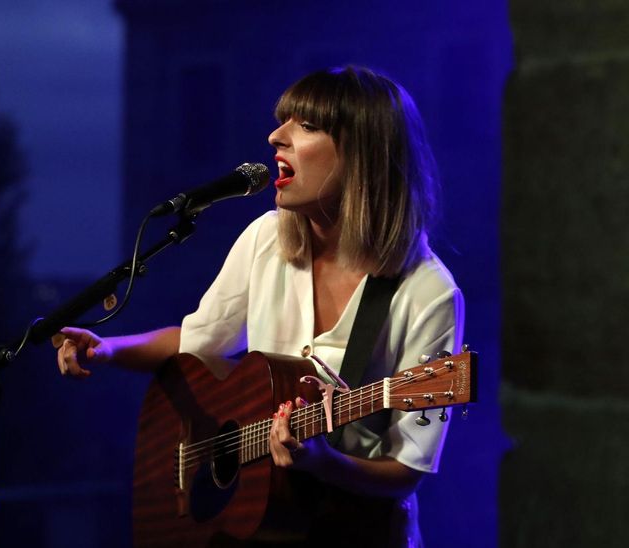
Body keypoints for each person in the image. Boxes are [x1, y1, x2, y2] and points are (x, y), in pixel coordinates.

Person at [54, 66, 462, 545]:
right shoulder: (265, 239)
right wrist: (107, 349)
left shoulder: (427, 293)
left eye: (305, 125)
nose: (275, 136)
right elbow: (196, 343)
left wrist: (325, 463)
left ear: (363, 155)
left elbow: (405, 469)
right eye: (281, 121)